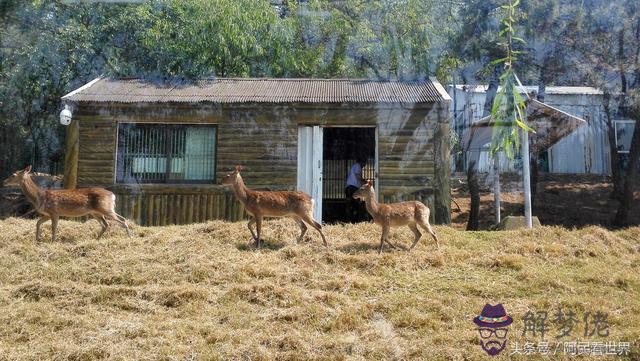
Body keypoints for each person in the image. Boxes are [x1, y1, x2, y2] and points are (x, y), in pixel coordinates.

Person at [345, 158, 367, 222]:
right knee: (356, 205)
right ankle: (354, 220)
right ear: (362, 161)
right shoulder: (358, 166)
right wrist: (365, 181)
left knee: (350, 205)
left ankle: (349, 220)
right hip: (353, 188)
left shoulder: (355, 166)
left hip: (349, 187)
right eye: (365, 163)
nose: (365, 165)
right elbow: (358, 177)